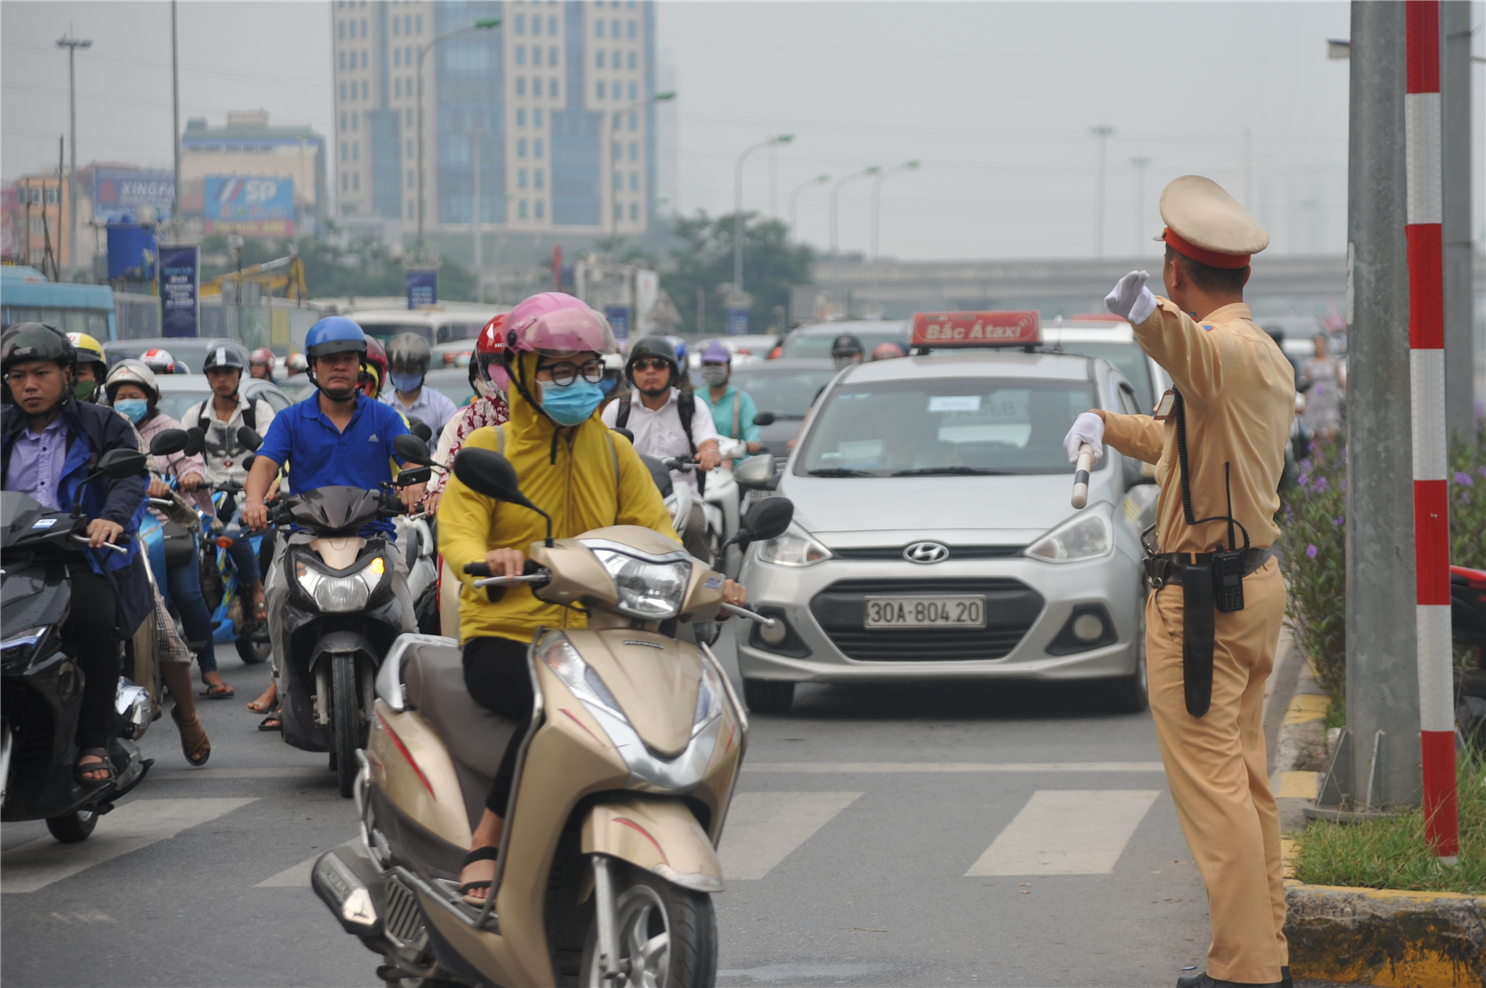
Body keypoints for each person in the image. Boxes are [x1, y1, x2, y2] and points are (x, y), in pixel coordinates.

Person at [438, 291, 749, 906]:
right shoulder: (488, 452)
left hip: (602, 634)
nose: (577, 383)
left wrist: (707, 583)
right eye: (558, 370)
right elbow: (460, 530)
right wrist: (487, 560)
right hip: (507, 631)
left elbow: (657, 534)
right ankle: (488, 841)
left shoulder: (613, 451)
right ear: (524, 373)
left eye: (588, 370)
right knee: (552, 710)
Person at [1063, 175, 1294, 988]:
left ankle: (1244, 971)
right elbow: (1177, 443)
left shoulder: (1216, 351)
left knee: (1214, 790)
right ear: (1244, 276)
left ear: (1176, 272)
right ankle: (1266, 948)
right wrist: (1106, 426)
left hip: (1200, 600)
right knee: (1246, 779)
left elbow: (1188, 353)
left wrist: (1141, 313)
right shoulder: (1257, 355)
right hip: (1248, 586)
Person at [241, 317, 424, 726]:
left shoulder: (384, 417)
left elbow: (411, 458)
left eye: (347, 359)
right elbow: (265, 464)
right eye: (329, 360)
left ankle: (411, 697)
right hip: (306, 538)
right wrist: (255, 500)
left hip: (373, 538)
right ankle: (285, 688)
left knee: (406, 610)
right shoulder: (291, 420)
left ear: (361, 366)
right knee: (276, 592)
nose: (338, 367)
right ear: (313, 367)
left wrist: (413, 485)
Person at [0, 324, 154, 783]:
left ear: (67, 373)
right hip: (11, 560)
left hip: (79, 556)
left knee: (95, 626)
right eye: (17, 376)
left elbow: (130, 477)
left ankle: (93, 742)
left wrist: (111, 516)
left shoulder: (102, 424)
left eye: (40, 373)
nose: (29, 385)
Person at [104, 360, 233, 700]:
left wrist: (186, 477)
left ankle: (208, 668)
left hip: (166, 524)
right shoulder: (105, 429)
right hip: (117, 528)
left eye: (134, 395)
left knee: (188, 594)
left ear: (150, 398)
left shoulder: (168, 428)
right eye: (120, 396)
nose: (126, 401)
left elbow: (191, 463)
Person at [180, 343, 276, 634]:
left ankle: (257, 587)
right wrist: (188, 476)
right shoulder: (194, 416)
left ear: (239, 375)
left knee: (234, 534)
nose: (222, 378)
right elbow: (183, 458)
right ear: (208, 377)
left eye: (228, 372)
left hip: (250, 495)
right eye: (216, 372)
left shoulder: (259, 411)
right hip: (206, 497)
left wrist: (269, 486)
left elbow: (273, 453)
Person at [600, 334, 721, 562]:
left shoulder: (692, 405)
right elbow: (600, 453)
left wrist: (709, 453)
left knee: (695, 528)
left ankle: (703, 590)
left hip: (682, 494)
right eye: (641, 364)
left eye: (659, 364)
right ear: (632, 372)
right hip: (628, 495)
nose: (650, 370)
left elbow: (708, 442)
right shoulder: (616, 410)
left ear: (672, 371)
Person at [425, 314, 511, 518]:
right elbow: (453, 467)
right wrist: (441, 493)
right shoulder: (476, 414)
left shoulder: (550, 412)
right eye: (498, 361)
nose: (508, 369)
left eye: (515, 360)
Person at [696, 340, 762, 460]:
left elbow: (751, 430)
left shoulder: (741, 399)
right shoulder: (694, 398)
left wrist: (752, 443)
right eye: (707, 364)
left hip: (734, 466)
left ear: (728, 366)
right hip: (700, 465)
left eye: (717, 364)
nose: (712, 369)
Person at [383, 332, 458, 434]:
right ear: (390, 368)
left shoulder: (442, 406)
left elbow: (452, 440)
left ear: (423, 369)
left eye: (411, 369)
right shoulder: (381, 405)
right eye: (399, 368)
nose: (404, 374)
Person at [1300, 333, 1344, 442]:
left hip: (1330, 399)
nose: (1319, 346)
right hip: (1315, 399)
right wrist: (1305, 404)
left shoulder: (1333, 362)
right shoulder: (1309, 363)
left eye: (1321, 343)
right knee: (1316, 432)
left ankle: (1331, 456)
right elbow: (1307, 385)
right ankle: (1317, 457)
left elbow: (1341, 380)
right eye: (1316, 343)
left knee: (1332, 428)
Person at [66, 332, 108, 402]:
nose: (70, 379)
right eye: (64, 373)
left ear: (97, 378)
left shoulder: (107, 413)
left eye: (79, 373)